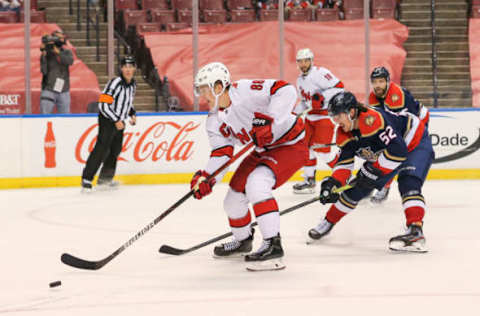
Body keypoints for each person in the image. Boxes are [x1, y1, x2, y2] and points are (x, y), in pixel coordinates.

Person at [192, 62, 308, 271]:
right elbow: (222, 153)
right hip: (262, 150)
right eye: (200, 90)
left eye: (205, 89)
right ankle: (243, 241)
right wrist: (207, 177)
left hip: (290, 144)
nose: (203, 95)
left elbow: (285, 90)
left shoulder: (244, 91)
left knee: (257, 183)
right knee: (232, 200)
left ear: (219, 86)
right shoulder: (214, 121)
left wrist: (268, 120)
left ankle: (273, 244)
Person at [307, 91, 434, 252]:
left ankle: (415, 231)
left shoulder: (373, 120)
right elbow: (344, 164)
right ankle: (327, 222)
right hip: (389, 151)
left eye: (338, 116)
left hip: (414, 141)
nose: (335, 121)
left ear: (351, 112)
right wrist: (333, 183)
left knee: (408, 183)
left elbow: (398, 151)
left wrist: (373, 172)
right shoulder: (343, 133)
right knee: (356, 189)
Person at [368, 66, 430, 204]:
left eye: (381, 81)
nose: (377, 85)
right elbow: (380, 120)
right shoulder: (373, 97)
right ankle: (381, 185)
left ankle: (385, 187)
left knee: (398, 153)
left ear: (388, 81)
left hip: (418, 121)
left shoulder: (397, 96)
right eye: (374, 82)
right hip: (401, 122)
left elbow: (406, 124)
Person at [81, 56, 137, 192]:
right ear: (121, 68)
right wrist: (116, 120)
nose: (128, 70)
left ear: (134, 68)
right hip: (107, 119)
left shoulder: (133, 84)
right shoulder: (115, 83)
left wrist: (132, 114)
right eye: (125, 67)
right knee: (101, 149)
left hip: (119, 121)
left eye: (130, 67)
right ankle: (87, 179)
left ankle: (105, 179)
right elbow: (103, 104)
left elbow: (127, 103)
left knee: (115, 150)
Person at [292, 48, 344, 194]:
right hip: (309, 118)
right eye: (300, 61)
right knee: (305, 148)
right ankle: (309, 180)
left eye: (306, 60)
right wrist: (293, 114)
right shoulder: (299, 80)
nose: (303, 64)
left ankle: (343, 176)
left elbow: (340, 87)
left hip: (324, 117)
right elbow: (304, 102)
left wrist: (322, 96)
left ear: (311, 60)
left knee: (323, 152)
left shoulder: (320, 73)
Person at [40, 30, 74, 114]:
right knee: (44, 117)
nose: (60, 40)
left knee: (65, 118)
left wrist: (58, 52)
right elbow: (43, 71)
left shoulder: (67, 52)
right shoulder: (47, 53)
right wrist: (44, 55)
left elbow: (69, 61)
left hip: (64, 89)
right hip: (48, 89)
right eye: (58, 38)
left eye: (61, 38)